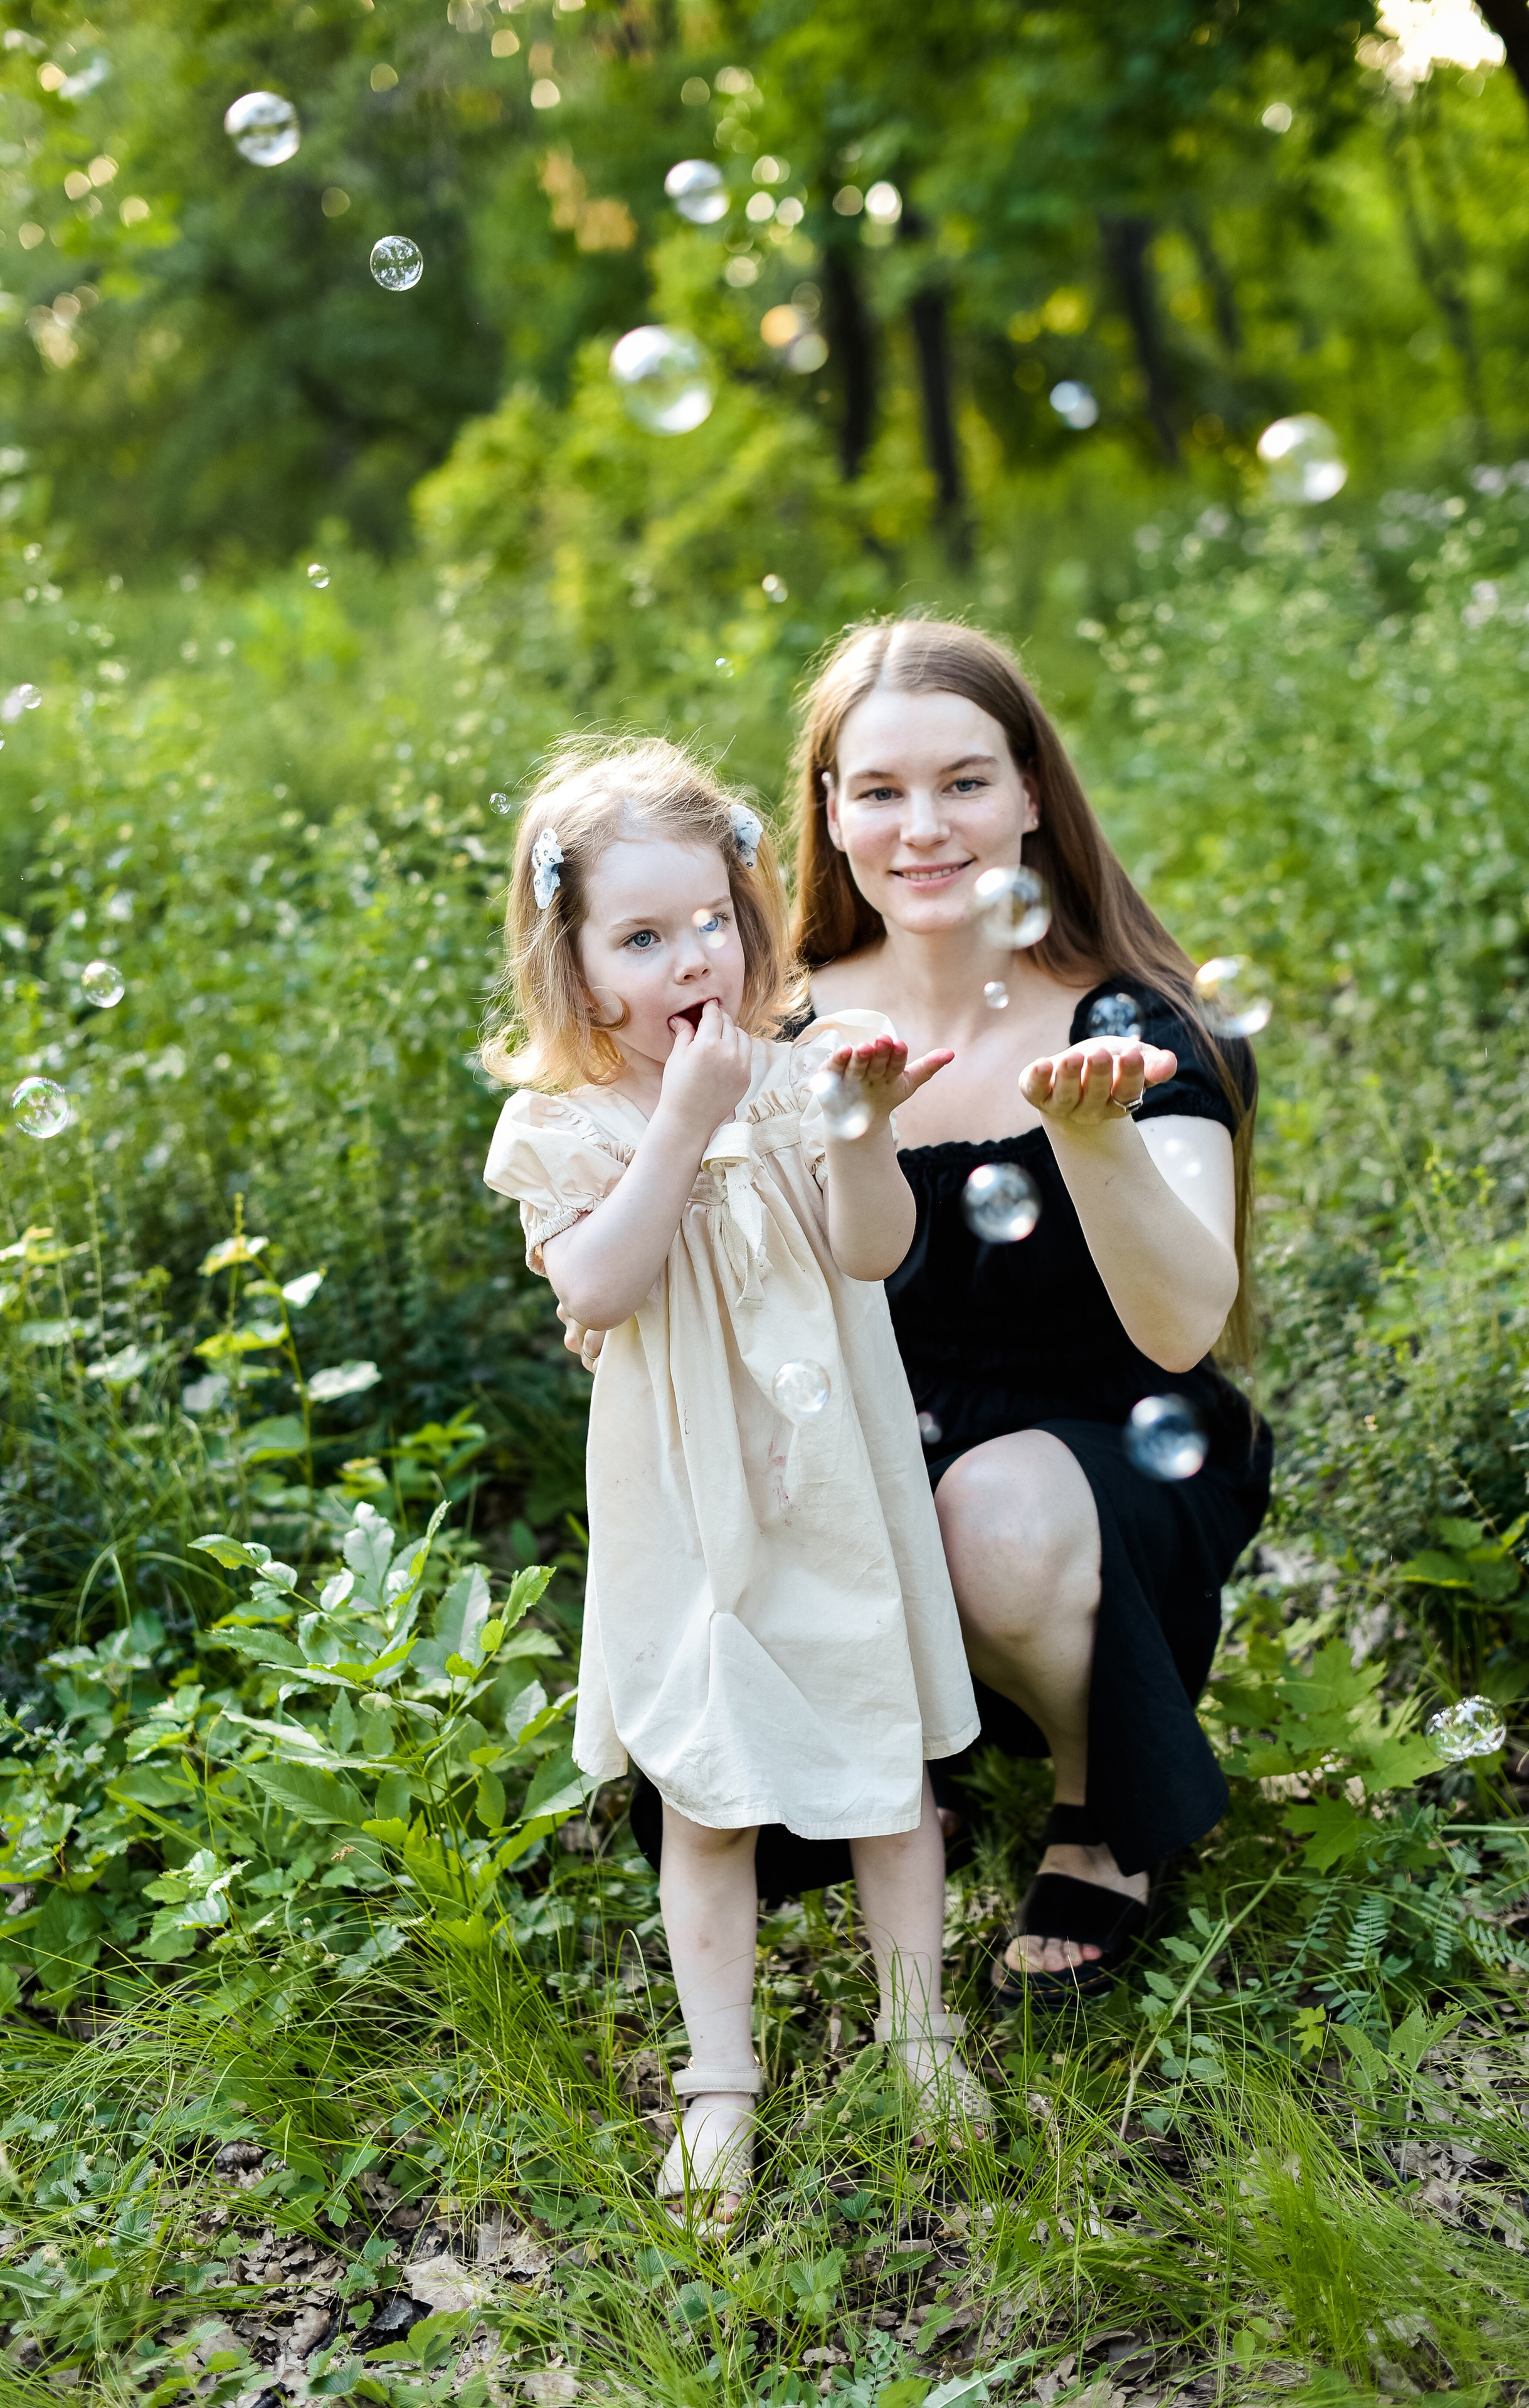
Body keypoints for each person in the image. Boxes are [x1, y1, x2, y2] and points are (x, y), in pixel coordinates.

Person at [481, 737, 988, 2226]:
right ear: (576, 976)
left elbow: (871, 1250)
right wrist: (685, 1127)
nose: (688, 955)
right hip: (693, 1508)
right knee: (704, 1794)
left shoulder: (798, 1074)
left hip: (830, 1485)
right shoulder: (564, 1130)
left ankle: (917, 2030)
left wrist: (867, 1127)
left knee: (889, 1767)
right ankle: (719, 2079)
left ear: (749, 922)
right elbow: (604, 1279)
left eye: (709, 919)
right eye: (639, 937)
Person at [788, 618, 1272, 2003]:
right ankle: (903, 1755)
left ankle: (1100, 1793)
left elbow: (1181, 1327)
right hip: (877, 1438)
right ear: (829, 813)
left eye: (964, 783)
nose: (921, 827)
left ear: (1029, 796)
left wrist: (1094, 1140)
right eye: (878, 791)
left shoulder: (1130, 1025)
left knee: (986, 1524)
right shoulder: (786, 1029)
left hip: (1105, 1446)